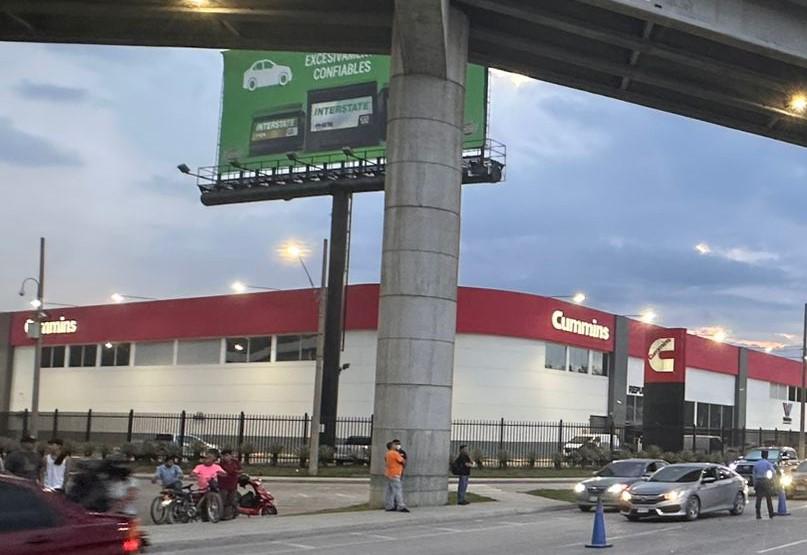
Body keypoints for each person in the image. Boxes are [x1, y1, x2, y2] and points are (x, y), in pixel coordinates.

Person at [384, 439, 408, 512]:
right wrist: (404, 463)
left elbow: (385, 460)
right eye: (394, 445)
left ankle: (389, 506)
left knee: (389, 491)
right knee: (398, 490)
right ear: (391, 446)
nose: (396, 446)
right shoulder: (395, 453)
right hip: (395, 473)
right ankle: (401, 506)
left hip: (388, 473)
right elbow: (402, 461)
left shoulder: (387, 453)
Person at [218, 449, 242, 520]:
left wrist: (236, 472)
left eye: (227, 455)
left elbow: (240, 470)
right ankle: (223, 514)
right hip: (223, 484)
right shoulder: (221, 464)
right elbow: (219, 472)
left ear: (231, 456)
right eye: (224, 456)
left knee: (232, 499)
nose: (226, 457)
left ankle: (232, 513)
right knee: (223, 499)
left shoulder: (235, 462)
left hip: (233, 483)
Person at [753, 449, 775, 520]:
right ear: (767, 455)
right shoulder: (768, 463)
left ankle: (758, 514)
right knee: (768, 498)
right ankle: (771, 513)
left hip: (758, 481)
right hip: (766, 481)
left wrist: (754, 484)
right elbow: (773, 472)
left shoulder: (757, 463)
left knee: (758, 498)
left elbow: (754, 474)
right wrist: (771, 480)